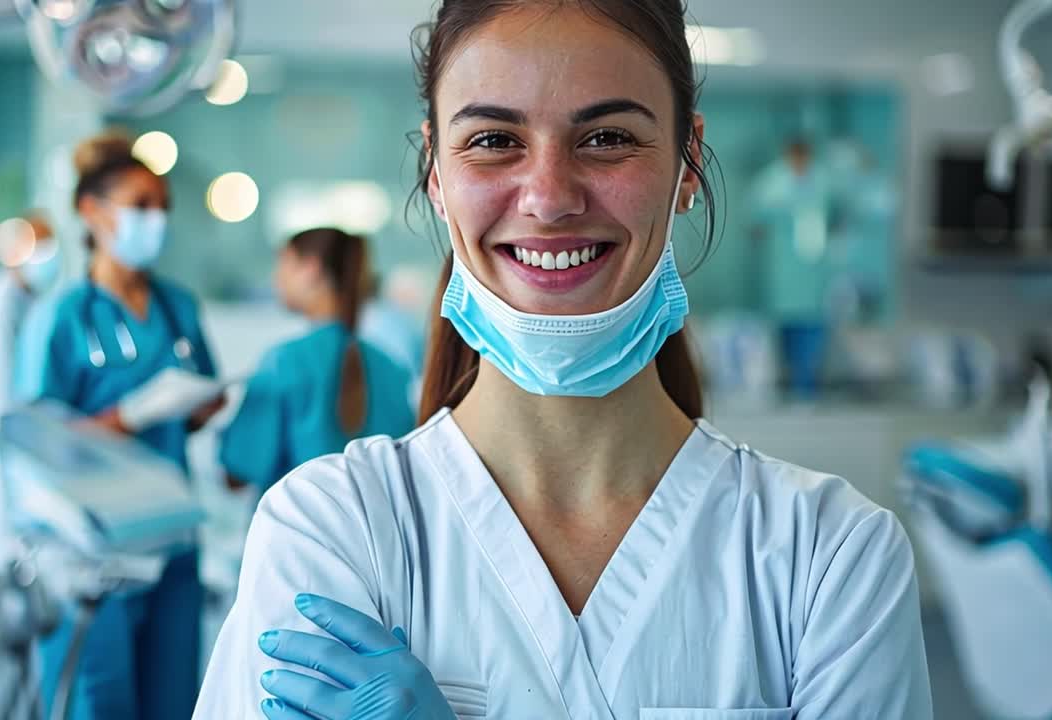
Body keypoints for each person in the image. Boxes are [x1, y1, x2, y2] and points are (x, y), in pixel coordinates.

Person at [196, 1, 933, 717]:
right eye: (492, 141)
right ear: (436, 177)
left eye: (608, 137)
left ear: (687, 166)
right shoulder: (333, 528)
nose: (549, 198)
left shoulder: (829, 558)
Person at [13, 130, 221, 720]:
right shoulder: (62, 318)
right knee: (98, 703)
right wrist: (128, 416)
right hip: (93, 552)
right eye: (140, 206)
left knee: (173, 701)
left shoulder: (179, 306)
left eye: (162, 208)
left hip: (174, 538)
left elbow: (199, 405)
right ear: (92, 212)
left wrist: (197, 407)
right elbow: (35, 443)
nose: (156, 220)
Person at [221, 228, 415, 496]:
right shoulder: (392, 370)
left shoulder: (284, 362)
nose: (276, 278)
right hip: (372, 536)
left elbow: (238, 474)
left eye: (284, 264)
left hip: (293, 536)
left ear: (311, 268)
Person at [0, 211, 61, 570]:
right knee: (11, 555)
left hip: (33, 445)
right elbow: (7, 400)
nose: (48, 255)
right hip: (12, 446)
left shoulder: (32, 304)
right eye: (40, 245)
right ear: (13, 249)